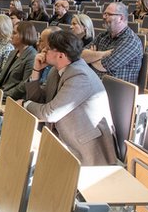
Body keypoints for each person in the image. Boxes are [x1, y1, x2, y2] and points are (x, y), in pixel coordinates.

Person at [18, 29, 117, 165]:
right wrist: (36, 71)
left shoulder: (79, 76)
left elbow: (49, 113)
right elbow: (41, 101)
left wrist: (24, 104)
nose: (43, 51)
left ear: (61, 56)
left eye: (48, 49)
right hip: (64, 136)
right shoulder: (57, 70)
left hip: (86, 148)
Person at [81, 2, 144, 83]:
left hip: (115, 90)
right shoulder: (103, 36)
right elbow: (81, 55)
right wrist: (102, 54)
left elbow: (105, 66)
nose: (104, 17)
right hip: (94, 83)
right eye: (104, 14)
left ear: (120, 18)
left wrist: (91, 56)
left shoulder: (131, 41)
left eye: (108, 14)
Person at [0, 21, 39, 100]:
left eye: (14, 33)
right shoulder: (13, 52)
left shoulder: (32, 57)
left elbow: (23, 87)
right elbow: (2, 77)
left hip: (11, 99)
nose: (11, 36)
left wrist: (1, 96)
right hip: (0, 93)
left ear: (24, 35)